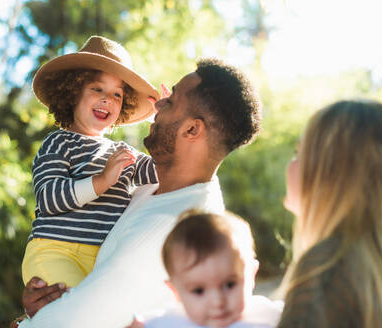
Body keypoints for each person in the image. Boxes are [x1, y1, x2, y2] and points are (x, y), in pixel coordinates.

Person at [16, 58, 262, 328]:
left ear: (191, 129)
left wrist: (25, 322)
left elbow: (70, 321)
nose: (157, 103)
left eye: (171, 100)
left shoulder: (174, 228)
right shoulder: (156, 189)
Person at [21, 35, 160, 289]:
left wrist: (165, 124)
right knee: (77, 308)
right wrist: (101, 181)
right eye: (97, 89)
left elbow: (164, 171)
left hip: (102, 260)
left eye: (117, 95)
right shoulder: (58, 143)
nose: (108, 99)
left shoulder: (123, 152)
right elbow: (48, 198)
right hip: (54, 251)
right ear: (73, 93)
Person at [278, 100, 382, 328]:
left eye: (299, 153)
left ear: (330, 174)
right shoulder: (372, 265)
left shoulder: (327, 267)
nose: (291, 165)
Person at [131, 210, 282, 328]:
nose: (217, 302)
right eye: (199, 291)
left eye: (229, 285)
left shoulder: (268, 314)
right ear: (175, 292)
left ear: (251, 275)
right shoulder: (168, 322)